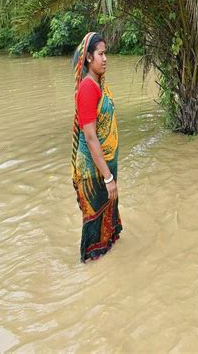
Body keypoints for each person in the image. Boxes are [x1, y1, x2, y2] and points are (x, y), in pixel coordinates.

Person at [72, 32, 122, 263]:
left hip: (104, 168)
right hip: (94, 173)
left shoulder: (99, 85)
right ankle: (93, 269)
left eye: (106, 54)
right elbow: (91, 137)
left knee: (108, 222)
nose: (105, 59)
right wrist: (108, 177)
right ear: (89, 57)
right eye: (100, 54)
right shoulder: (88, 88)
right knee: (94, 225)